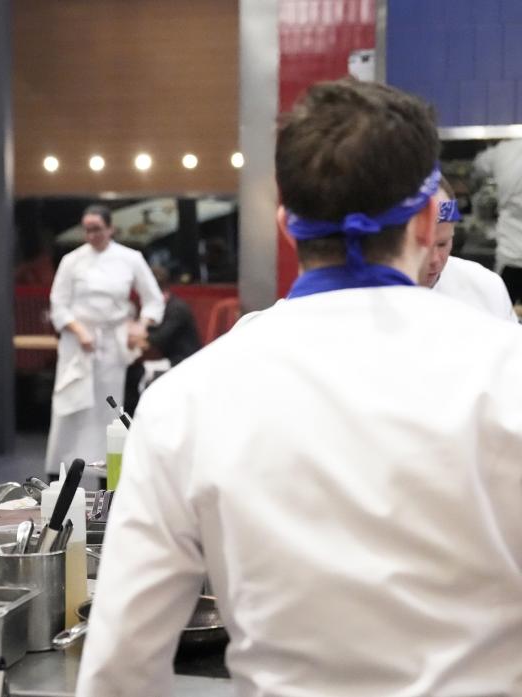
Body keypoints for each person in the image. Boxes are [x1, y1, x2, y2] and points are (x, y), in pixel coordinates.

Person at [77, 79, 522, 696]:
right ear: (426, 221)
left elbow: (118, 673)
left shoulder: (188, 399)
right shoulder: (508, 371)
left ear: (287, 226)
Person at [44, 204, 164, 476]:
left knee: (108, 413)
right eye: (87, 230)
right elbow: (58, 305)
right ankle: (57, 476)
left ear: (111, 229)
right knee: (68, 408)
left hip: (112, 343)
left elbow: (153, 300)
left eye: (97, 229)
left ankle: (105, 480)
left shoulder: (130, 258)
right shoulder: (71, 260)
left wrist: (141, 326)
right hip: (77, 344)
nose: (92, 235)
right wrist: (78, 330)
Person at [419, 177, 517, 322]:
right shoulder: (377, 295)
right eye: (423, 245)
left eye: (442, 244)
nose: (434, 260)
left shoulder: (486, 287)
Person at [123, 265, 201, 413]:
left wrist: (137, 335)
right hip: (167, 358)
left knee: (134, 375)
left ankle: (134, 420)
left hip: (182, 361)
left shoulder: (176, 308)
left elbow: (157, 339)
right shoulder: (157, 309)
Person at [473, 137, 522, 303]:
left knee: (504, 315)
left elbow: (478, 165)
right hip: (510, 256)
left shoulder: (502, 151)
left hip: (510, 258)